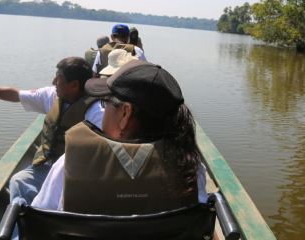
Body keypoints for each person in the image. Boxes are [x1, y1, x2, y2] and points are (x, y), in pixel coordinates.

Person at [32, 60, 207, 215]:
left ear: (125, 113)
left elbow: (41, 221)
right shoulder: (190, 170)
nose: (103, 110)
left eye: (105, 102)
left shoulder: (70, 162)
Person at [0, 57, 103, 206]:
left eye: (58, 79)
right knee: (19, 181)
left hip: (75, 174)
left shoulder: (96, 113)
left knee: (32, 188)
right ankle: (25, 222)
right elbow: (14, 95)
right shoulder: (52, 96)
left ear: (74, 85)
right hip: (47, 166)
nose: (53, 82)